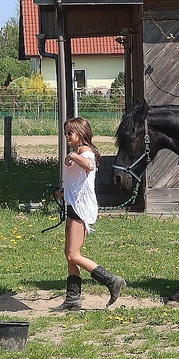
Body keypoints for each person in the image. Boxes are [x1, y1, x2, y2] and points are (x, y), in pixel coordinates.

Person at [52, 117, 126, 311]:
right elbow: (77, 180)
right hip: (72, 204)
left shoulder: (85, 152)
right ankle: (72, 299)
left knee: (73, 254)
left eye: (70, 133)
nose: (67, 136)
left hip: (80, 208)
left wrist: (73, 157)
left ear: (81, 134)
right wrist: (63, 192)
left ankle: (111, 280)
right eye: (65, 132)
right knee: (68, 255)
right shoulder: (78, 151)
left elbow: (89, 165)